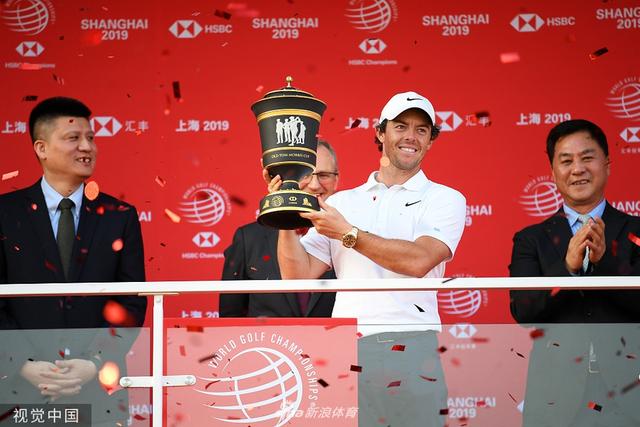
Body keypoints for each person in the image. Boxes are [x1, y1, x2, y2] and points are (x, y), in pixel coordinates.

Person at [272, 92, 466, 427]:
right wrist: (286, 212)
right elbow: (297, 277)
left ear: (431, 140)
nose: (411, 136)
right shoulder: (343, 203)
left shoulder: (445, 199)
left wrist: (349, 233)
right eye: (400, 126)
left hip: (414, 345)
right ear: (380, 132)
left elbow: (419, 261)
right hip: (349, 345)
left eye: (421, 130)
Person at [0, 97, 147, 426]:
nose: (86, 147)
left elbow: (131, 301)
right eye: (73, 138)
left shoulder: (119, 216)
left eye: (90, 138)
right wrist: (23, 362)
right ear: (41, 148)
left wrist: (93, 362)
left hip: (97, 386)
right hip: (16, 386)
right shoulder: (6, 214)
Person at [509, 119, 640, 427]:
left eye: (587, 157)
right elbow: (523, 310)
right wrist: (566, 269)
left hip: (630, 393)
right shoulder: (531, 239)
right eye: (566, 161)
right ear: (553, 172)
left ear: (607, 164)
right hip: (555, 398)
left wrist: (605, 262)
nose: (578, 169)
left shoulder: (636, 231)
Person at [220, 140, 339, 317]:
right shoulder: (248, 238)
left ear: (336, 180)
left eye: (324, 175)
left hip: (337, 335)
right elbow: (230, 317)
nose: (314, 185)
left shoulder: (348, 236)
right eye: (305, 174)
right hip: (267, 336)